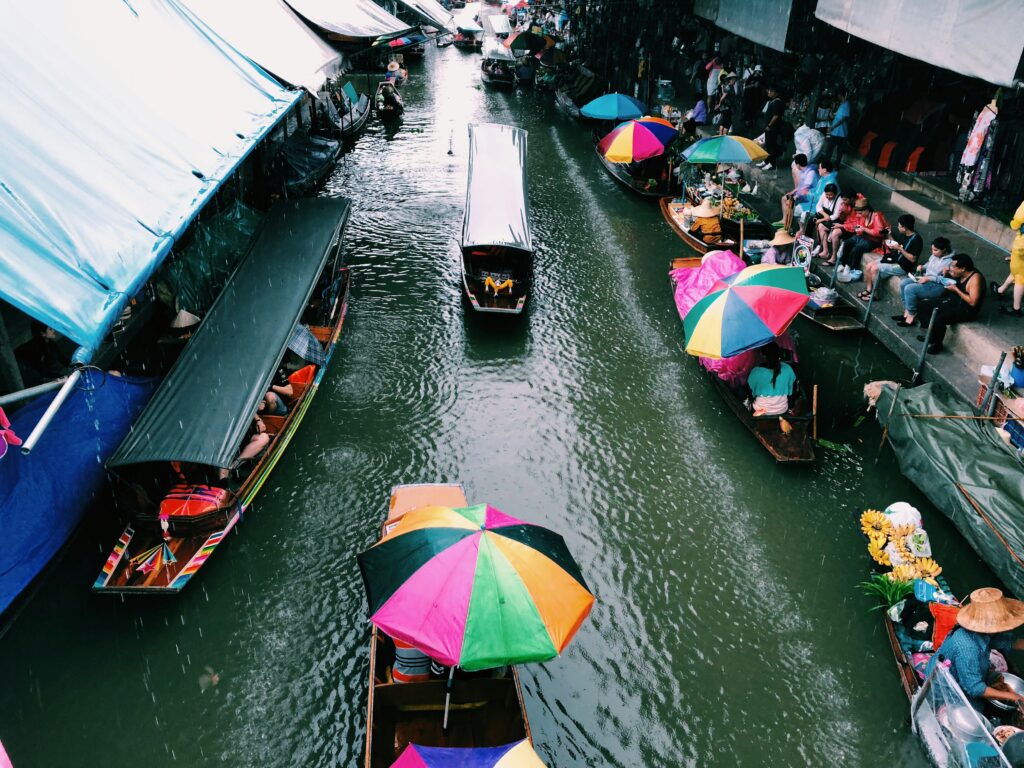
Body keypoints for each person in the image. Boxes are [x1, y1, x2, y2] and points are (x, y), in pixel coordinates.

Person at [924, 588, 1024, 711]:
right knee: (976, 711)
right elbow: (974, 688)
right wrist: (1013, 697)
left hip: (964, 670)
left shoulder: (985, 632)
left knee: (996, 680)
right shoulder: (967, 647)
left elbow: (1008, 641)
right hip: (946, 686)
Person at [915, 253, 986, 353]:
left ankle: (937, 344)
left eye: (953, 266)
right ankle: (931, 333)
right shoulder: (959, 273)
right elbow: (948, 281)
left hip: (966, 309)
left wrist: (956, 289)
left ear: (963, 269)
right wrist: (946, 274)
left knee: (939, 318)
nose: (951, 268)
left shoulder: (975, 279)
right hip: (953, 301)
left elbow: (973, 302)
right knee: (922, 306)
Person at [893, 237, 955, 327]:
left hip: (937, 285)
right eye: (932, 249)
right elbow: (929, 264)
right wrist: (922, 267)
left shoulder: (949, 262)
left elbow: (944, 279)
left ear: (944, 249)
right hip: (926, 278)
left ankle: (911, 314)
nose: (933, 252)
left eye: (935, 250)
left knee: (910, 289)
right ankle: (907, 311)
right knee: (904, 283)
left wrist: (929, 278)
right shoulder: (935, 255)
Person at [860, 214, 922, 299]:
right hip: (894, 259)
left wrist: (900, 249)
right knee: (869, 266)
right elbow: (896, 245)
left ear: (905, 227)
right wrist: (889, 235)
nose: (898, 227)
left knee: (875, 268)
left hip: (902, 266)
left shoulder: (917, 240)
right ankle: (868, 290)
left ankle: (875, 294)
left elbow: (913, 259)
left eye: (899, 226)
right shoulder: (904, 234)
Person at [837, 195, 888, 273]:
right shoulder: (863, 216)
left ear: (867, 210)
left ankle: (850, 267)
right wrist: (858, 229)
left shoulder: (876, 216)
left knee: (857, 249)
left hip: (874, 240)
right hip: (863, 237)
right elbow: (858, 226)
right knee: (847, 243)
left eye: (861, 213)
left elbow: (879, 233)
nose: (859, 215)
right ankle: (843, 264)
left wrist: (865, 229)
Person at [992, 199, 1024, 317]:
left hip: (1022, 246)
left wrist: (1014, 225)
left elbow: (1018, 219)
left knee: (1020, 276)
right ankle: (1000, 290)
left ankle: (1016, 308)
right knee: (1017, 271)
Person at [746, 343, 796, 416]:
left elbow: (750, 393)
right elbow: (792, 391)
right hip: (782, 410)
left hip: (760, 410)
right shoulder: (788, 369)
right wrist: (791, 406)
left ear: (763, 355)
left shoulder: (756, 371)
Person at [218, 415, 270, 480]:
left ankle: (235, 464)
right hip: (227, 441)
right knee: (223, 470)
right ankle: (224, 483)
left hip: (244, 435)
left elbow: (252, 407)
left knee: (264, 437)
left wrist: (258, 420)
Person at [778, 153, 818, 230]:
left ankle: (788, 223)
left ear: (798, 165)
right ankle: (784, 220)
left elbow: (805, 187)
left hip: (809, 197)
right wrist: (793, 192)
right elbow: (801, 186)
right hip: (802, 193)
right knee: (784, 198)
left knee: (790, 201)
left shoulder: (811, 173)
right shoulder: (805, 170)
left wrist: (796, 196)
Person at [813, 187, 849, 260]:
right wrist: (824, 215)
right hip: (829, 217)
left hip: (838, 221)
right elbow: (818, 206)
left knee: (832, 231)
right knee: (819, 225)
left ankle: (834, 257)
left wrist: (822, 219)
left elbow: (836, 215)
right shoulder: (824, 194)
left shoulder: (840, 200)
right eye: (827, 195)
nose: (828, 197)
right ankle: (825, 251)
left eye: (830, 195)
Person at [756, 86, 785, 171]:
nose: (768, 93)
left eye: (770, 91)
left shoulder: (777, 102)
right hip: (769, 128)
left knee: (771, 146)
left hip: (773, 128)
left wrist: (769, 125)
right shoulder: (772, 101)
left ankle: (772, 163)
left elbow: (776, 116)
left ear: (774, 92)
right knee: (768, 145)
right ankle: (766, 161)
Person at [823, 87, 851, 166]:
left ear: (840, 95)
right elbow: (836, 116)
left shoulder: (846, 104)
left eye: (838, 95)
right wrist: (832, 113)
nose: (838, 97)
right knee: (829, 149)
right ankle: (826, 163)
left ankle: (836, 166)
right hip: (835, 132)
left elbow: (843, 119)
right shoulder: (841, 104)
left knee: (839, 151)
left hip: (841, 133)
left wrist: (833, 127)